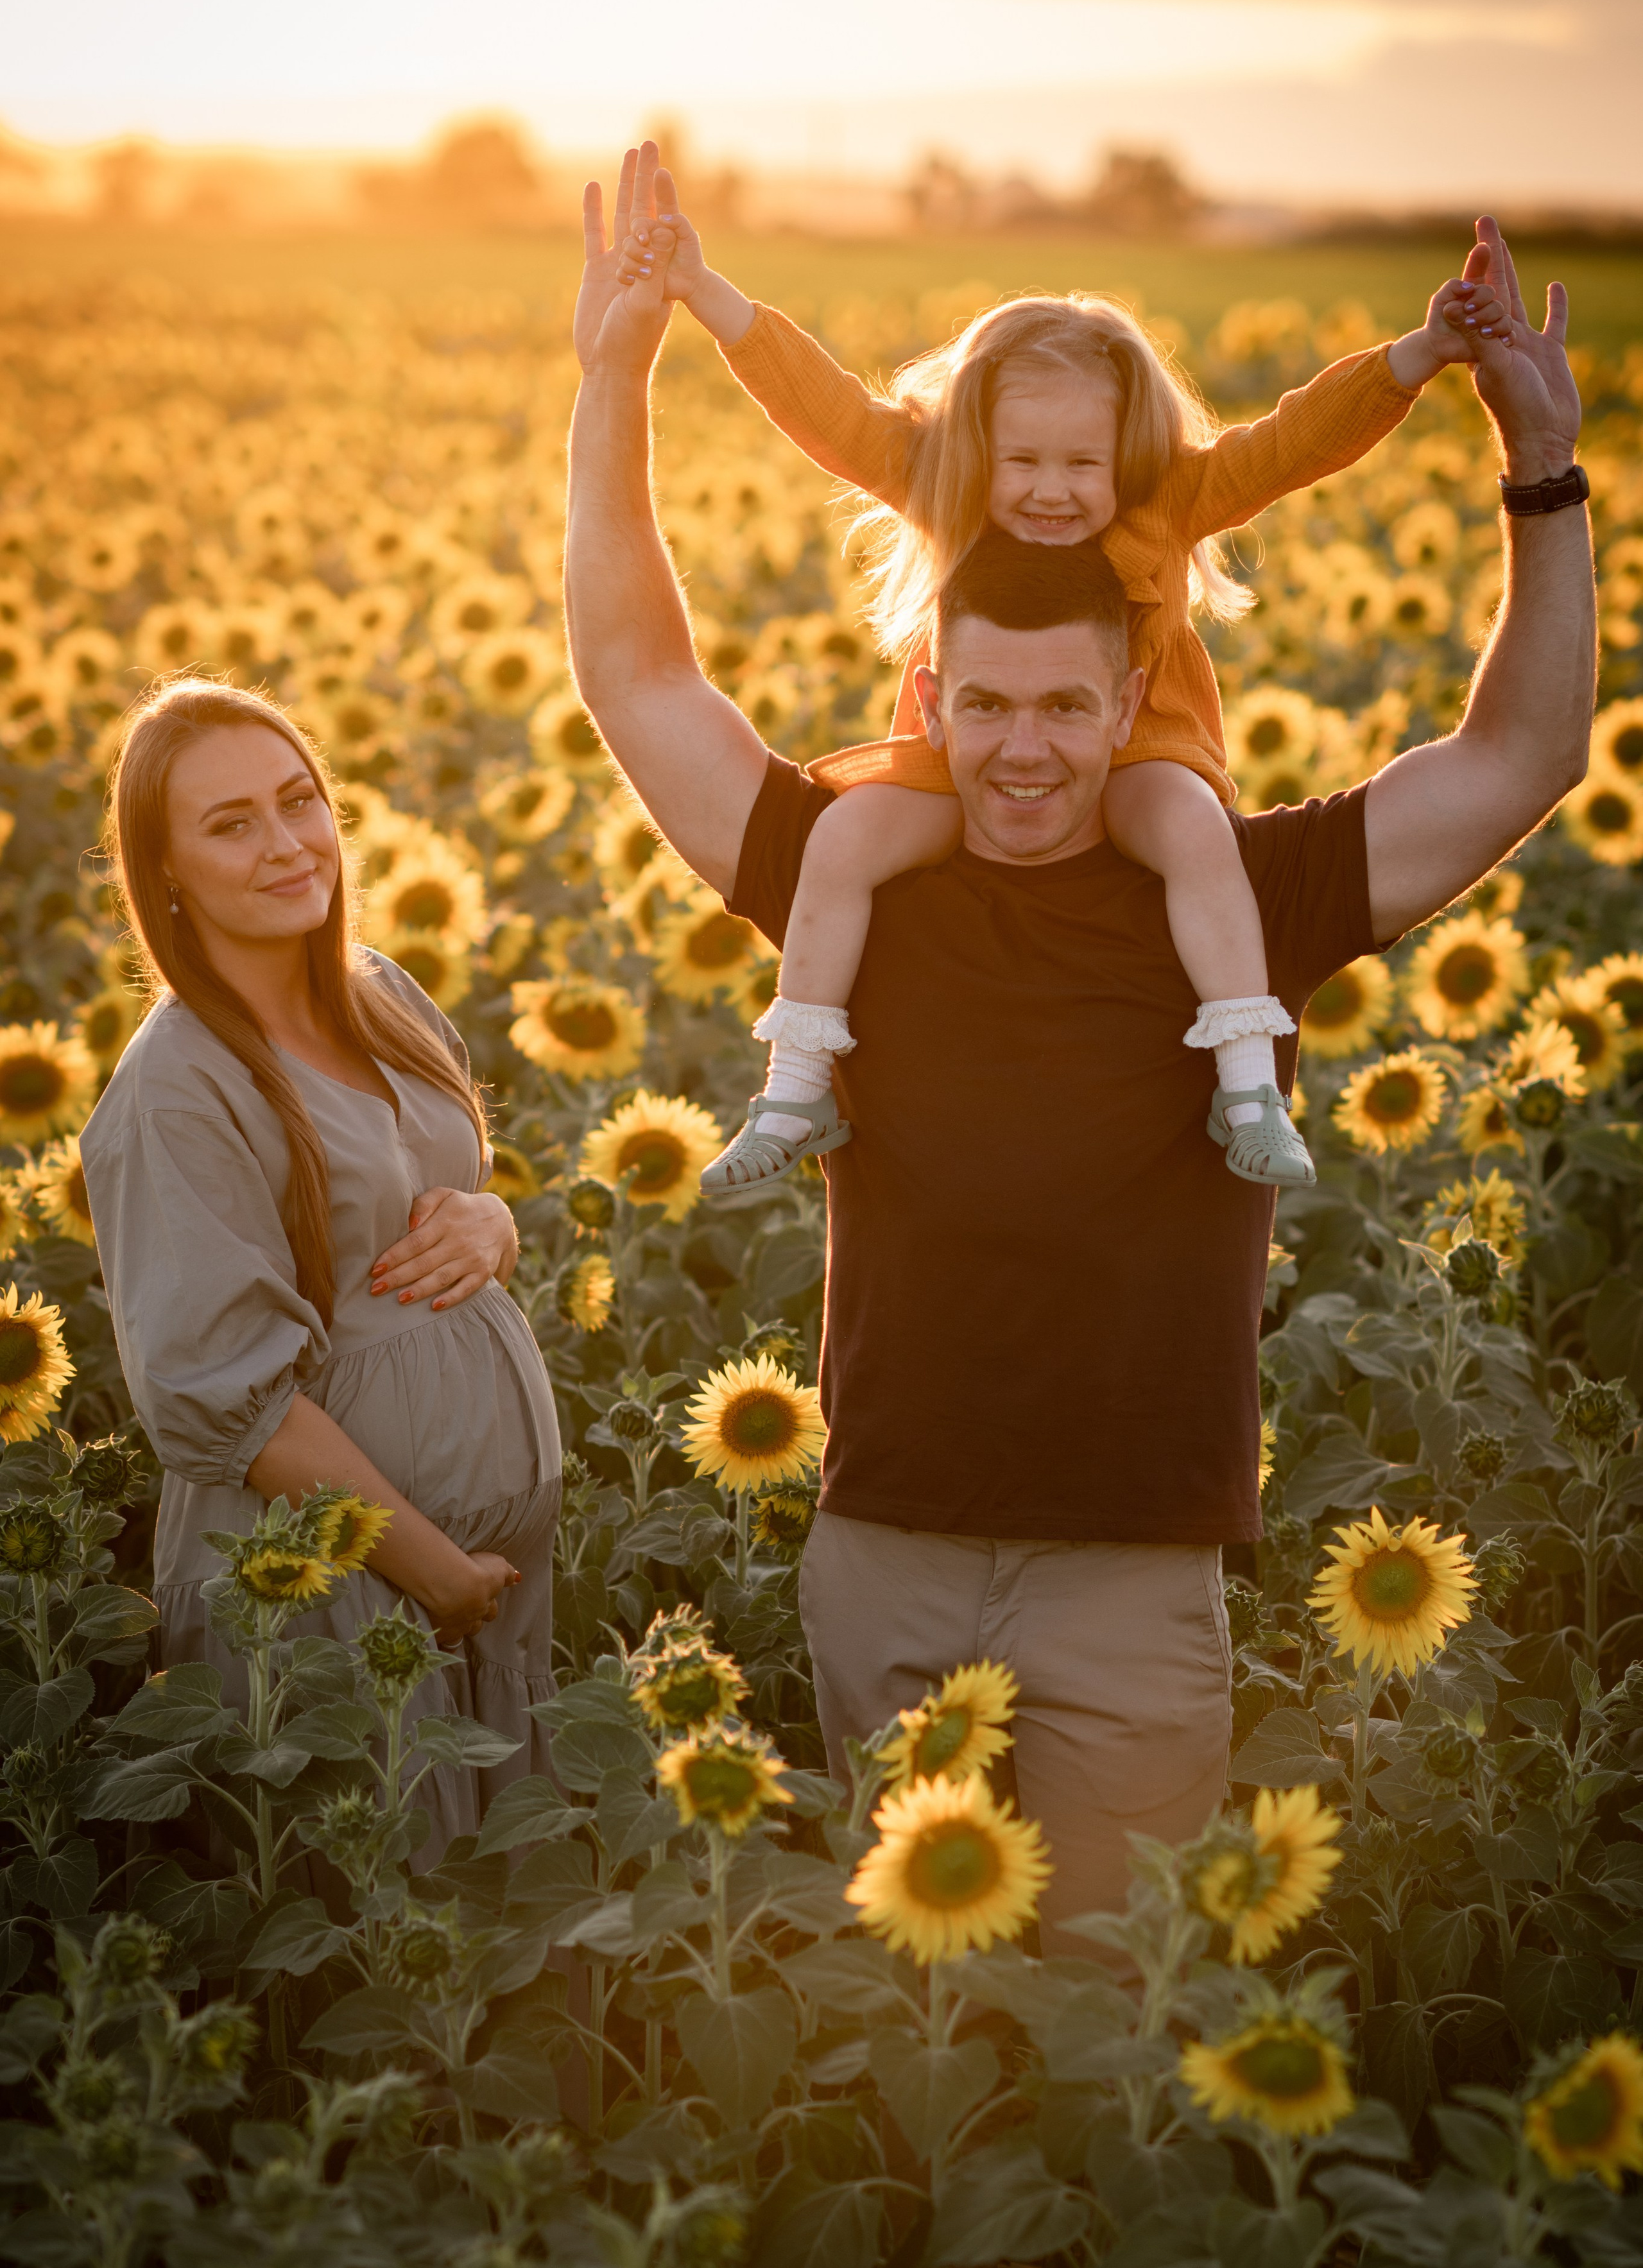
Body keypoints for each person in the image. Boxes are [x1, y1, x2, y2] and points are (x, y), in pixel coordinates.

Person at [566, 155, 1594, 1951]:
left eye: (1065, 709)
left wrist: (1541, 473)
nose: (1025, 750)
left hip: (1135, 1573)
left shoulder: (1237, 893)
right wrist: (615, 378)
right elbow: (641, 676)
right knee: (898, 2009)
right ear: (926, 694)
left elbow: (1522, 758)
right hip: (882, 1550)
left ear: (1134, 699)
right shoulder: (852, 877)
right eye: (983, 706)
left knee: (1118, 2014)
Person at [615, 171, 1514, 1197]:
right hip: (962, 759)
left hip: (1145, 749)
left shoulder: (1170, 502)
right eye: (1023, 461)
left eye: (1083, 464)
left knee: (1189, 830)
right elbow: (827, 411)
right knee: (846, 838)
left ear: (1127, 454)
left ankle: (1248, 1084)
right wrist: (709, 294)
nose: (1051, 491)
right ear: (976, 451)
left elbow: (1292, 443)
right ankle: (796, 1085)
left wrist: (1418, 355)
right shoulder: (943, 492)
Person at [80, 679, 561, 1845]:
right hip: (325, 1584)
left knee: (516, 1937)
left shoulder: (378, 992)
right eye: (231, 823)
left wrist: (496, 1228)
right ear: (168, 874)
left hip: (478, 1582)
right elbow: (230, 1399)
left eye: (300, 801)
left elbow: (439, 1196)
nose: (289, 844)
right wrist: (433, 1570)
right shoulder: (176, 1089)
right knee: (397, 1940)